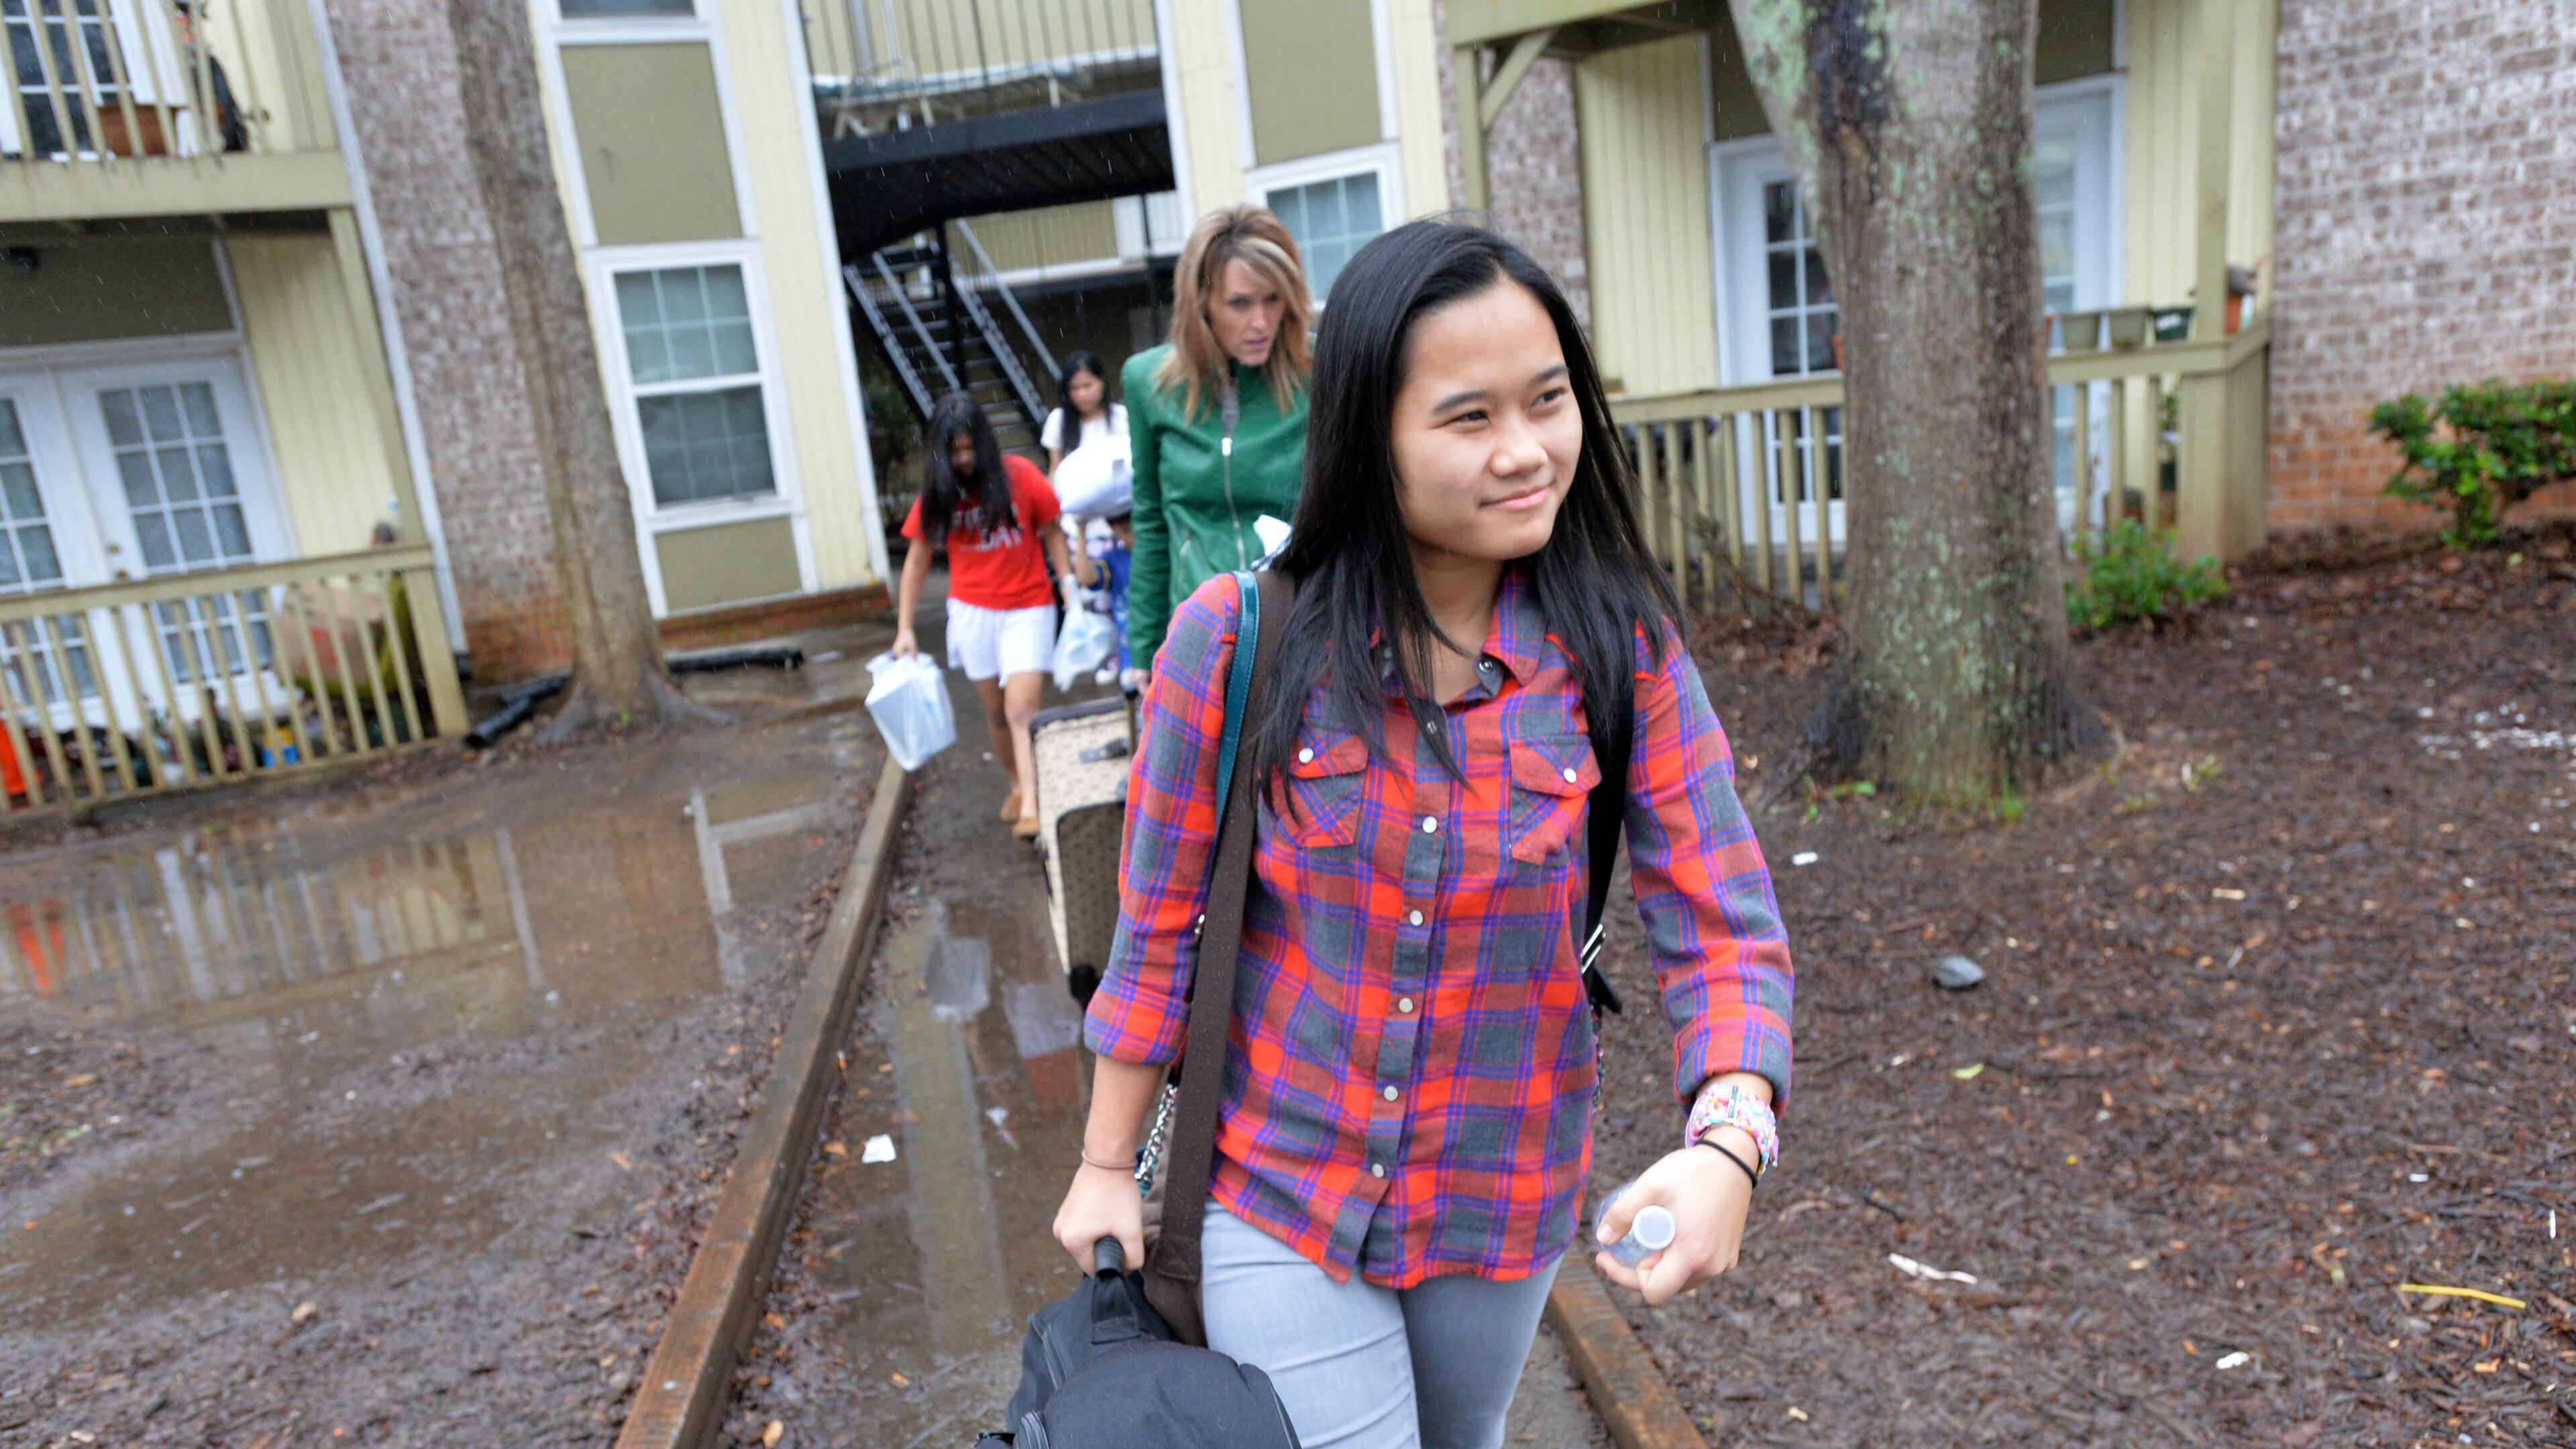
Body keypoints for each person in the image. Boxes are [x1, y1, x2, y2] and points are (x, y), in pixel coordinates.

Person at [1055, 221, 1795, 1448]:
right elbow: (1158, 935)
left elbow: (1726, 926)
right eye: (1468, 418)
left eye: (1548, 401)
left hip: (1500, 1205)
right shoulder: (1236, 644)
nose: (1526, 452)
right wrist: (1101, 1163)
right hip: (1276, 1188)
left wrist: (1731, 1142)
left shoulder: (1623, 654)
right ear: (1368, 436)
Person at [1120, 205, 1313, 687]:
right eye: (1241, 303)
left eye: (1274, 299)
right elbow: (1150, 519)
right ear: (1202, 301)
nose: (1262, 322)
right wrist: (1145, 649)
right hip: (1198, 629)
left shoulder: (1322, 369)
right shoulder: (1148, 383)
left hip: (1302, 623)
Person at [893, 394, 1081, 841]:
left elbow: (1053, 532)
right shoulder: (938, 494)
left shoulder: (1021, 477)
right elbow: (917, 562)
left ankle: (1034, 807)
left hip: (1028, 607)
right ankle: (1019, 786)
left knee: (1021, 709)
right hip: (973, 612)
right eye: (954, 450)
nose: (963, 459)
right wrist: (904, 628)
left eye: (969, 448)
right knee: (996, 715)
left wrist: (1071, 592)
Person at [1045, 352, 1135, 680]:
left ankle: (1129, 655)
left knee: (1128, 586)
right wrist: (1057, 512)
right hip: (1083, 524)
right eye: (1075, 388)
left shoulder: (1121, 416)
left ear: (1102, 383)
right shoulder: (1059, 422)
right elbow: (1056, 470)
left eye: (1088, 385)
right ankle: (1114, 654)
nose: (1082, 393)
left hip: (1121, 514)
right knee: (1100, 596)